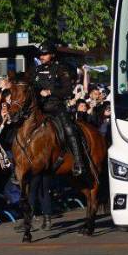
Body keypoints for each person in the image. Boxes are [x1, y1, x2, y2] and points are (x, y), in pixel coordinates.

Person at [25, 41, 86, 177]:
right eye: (40, 54)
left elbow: (67, 91)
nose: (42, 57)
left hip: (55, 107)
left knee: (69, 129)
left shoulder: (60, 69)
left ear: (52, 55)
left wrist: (51, 92)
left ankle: (78, 161)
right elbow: (29, 87)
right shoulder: (35, 70)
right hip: (39, 108)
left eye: (45, 54)